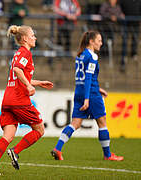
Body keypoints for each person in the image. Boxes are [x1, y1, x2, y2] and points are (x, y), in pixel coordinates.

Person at [0, 25, 53, 176]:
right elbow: (17, 69)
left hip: (8, 99)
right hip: (19, 100)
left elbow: (19, 75)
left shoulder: (18, 53)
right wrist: (29, 86)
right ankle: (15, 151)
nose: (34, 38)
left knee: (8, 135)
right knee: (39, 129)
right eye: (32, 35)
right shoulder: (25, 52)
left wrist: (38, 82)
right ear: (24, 39)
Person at [51, 30, 124, 161]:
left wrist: (97, 88)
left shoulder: (80, 55)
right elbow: (89, 77)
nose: (101, 43)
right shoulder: (92, 56)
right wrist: (88, 98)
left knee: (75, 123)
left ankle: (58, 148)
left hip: (79, 90)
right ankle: (108, 155)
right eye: (99, 40)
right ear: (91, 41)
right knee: (102, 123)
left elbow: (84, 77)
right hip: (90, 94)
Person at [119, 0, 141, 71]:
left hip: (136, 22)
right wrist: (121, 13)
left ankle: (133, 53)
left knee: (135, 38)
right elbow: (119, 6)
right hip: (126, 23)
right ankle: (124, 55)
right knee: (125, 39)